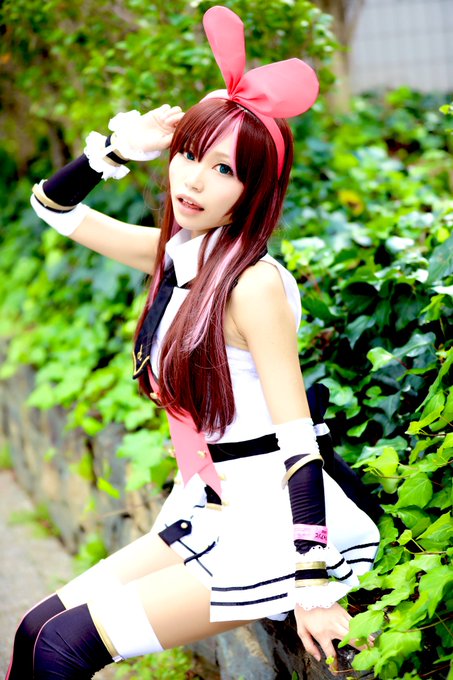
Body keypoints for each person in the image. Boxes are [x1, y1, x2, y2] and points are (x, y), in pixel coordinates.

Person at [6, 6, 380, 678]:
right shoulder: (182, 257)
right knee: (35, 628)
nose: (193, 181)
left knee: (62, 646)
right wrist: (118, 148)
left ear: (255, 189)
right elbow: (52, 208)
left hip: (271, 525)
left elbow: (299, 442)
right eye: (187, 156)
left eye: (224, 169)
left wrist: (313, 584)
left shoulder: (252, 284)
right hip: (209, 506)